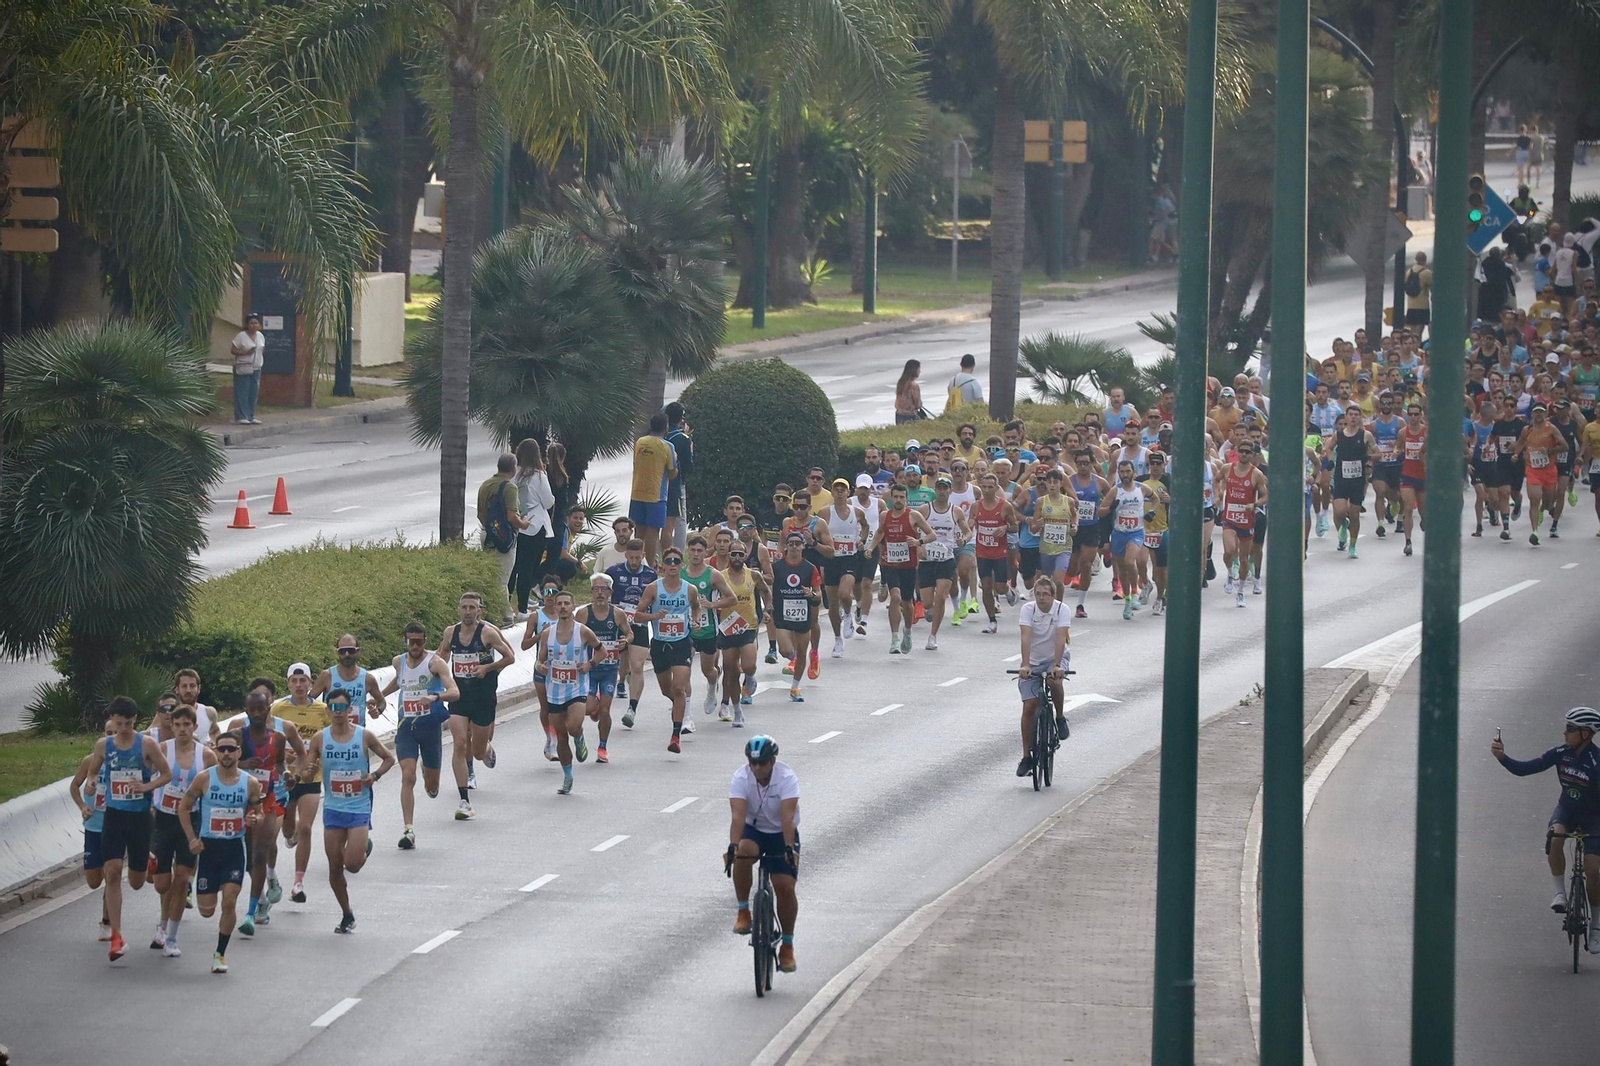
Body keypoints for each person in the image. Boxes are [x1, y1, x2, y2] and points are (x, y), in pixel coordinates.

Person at [1491, 707, 1600, 943]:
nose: (1564, 732)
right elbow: (1526, 768)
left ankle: (1596, 926)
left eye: (1570, 729)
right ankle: (1560, 893)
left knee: (1593, 870)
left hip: (1594, 818)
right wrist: (1502, 757)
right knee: (1555, 837)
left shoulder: (1596, 761)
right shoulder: (1560, 753)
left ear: (1585, 734)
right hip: (1568, 811)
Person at [81, 696, 171, 961]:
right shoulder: (103, 746)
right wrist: (92, 782)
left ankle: (146, 860)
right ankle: (117, 936)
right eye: (118, 723)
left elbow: (166, 774)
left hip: (140, 818)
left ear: (135, 720)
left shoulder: (146, 744)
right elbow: (93, 772)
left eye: (127, 723)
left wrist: (145, 787)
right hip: (114, 817)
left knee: (135, 881)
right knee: (112, 871)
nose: (122, 728)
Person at [300, 691, 394, 935]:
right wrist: (308, 772)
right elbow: (307, 773)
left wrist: (375, 775)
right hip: (333, 807)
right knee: (334, 867)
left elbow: (388, 758)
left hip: (358, 806)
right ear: (328, 710)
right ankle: (347, 914)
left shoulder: (364, 736)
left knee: (352, 865)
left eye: (342, 706)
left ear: (349, 708)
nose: (338, 710)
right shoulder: (321, 738)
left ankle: (364, 847)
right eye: (333, 706)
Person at [178, 729, 262, 974]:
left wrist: (255, 818)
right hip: (209, 850)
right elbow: (184, 808)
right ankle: (201, 897)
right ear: (215, 751)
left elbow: (258, 811)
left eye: (231, 749)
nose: (226, 754)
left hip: (234, 849)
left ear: (239, 752)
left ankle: (220, 954)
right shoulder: (204, 779)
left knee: (229, 901)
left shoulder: (250, 783)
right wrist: (192, 839)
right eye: (221, 749)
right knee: (207, 911)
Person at [725, 735, 800, 974]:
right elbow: (737, 816)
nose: (757, 768)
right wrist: (733, 846)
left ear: (773, 761)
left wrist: (789, 848)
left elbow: (787, 818)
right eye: (753, 763)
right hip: (754, 828)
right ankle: (743, 910)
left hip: (780, 832)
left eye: (763, 763)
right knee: (743, 853)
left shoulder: (786, 778)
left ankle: (787, 946)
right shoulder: (741, 778)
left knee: (784, 885)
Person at [438, 591, 516, 819]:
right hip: (459, 696)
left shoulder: (488, 633)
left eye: (473, 608)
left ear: (479, 611)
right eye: (464, 607)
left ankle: (486, 750)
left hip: (483, 696)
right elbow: (442, 654)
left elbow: (510, 657)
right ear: (459, 609)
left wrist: (487, 669)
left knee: (478, 749)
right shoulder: (450, 632)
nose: (468, 612)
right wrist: (438, 673)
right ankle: (464, 800)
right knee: (460, 743)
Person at [382, 622, 459, 848]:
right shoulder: (399, 662)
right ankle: (408, 829)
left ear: (425, 641)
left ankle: (429, 772)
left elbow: (455, 692)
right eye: (410, 641)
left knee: (432, 787)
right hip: (406, 729)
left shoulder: (435, 663)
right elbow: (399, 681)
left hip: (430, 729)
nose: (414, 646)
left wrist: (436, 698)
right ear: (404, 641)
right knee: (407, 775)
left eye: (419, 641)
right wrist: (380, 697)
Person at [148, 705, 214, 956]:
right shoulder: (164, 751)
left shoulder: (206, 756)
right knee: (162, 883)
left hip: (192, 821)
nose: (183, 729)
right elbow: (149, 778)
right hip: (164, 820)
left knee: (183, 878)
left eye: (188, 725)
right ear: (171, 727)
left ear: (195, 727)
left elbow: (214, 788)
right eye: (178, 725)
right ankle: (164, 921)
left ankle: (169, 934)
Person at [633, 545, 703, 750]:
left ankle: (675, 736)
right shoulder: (654, 588)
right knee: (667, 690)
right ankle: (679, 708)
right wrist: (654, 616)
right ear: (663, 566)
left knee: (680, 688)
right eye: (669, 561)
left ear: (682, 565)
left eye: (676, 561)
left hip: (682, 643)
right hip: (660, 644)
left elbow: (697, 607)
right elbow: (637, 615)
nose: (672, 565)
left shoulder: (690, 589)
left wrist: (696, 621)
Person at [536, 591, 602, 795]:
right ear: (555, 608)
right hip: (555, 689)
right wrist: (542, 667)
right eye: (559, 604)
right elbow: (539, 661)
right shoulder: (548, 633)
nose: (563, 607)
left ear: (573, 607)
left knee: (573, 726)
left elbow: (602, 651)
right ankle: (567, 776)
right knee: (561, 737)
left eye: (566, 603)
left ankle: (580, 735)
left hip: (577, 687)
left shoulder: (583, 632)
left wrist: (590, 664)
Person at [272, 663, 327, 903]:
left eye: (303, 681)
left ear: (310, 682)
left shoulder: (322, 709)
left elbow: (331, 738)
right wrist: (282, 756)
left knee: (306, 828)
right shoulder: (278, 708)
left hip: (311, 776)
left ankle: (298, 883)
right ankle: (290, 832)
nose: (299, 686)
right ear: (288, 684)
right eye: (294, 681)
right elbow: (269, 739)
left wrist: (318, 760)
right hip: (285, 777)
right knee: (289, 829)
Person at [865, 483, 935, 655]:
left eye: (901, 497)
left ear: (906, 498)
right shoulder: (885, 515)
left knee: (906, 601)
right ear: (891, 498)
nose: (898, 500)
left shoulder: (914, 516)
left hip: (908, 564)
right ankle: (894, 638)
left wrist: (918, 542)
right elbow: (880, 532)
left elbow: (932, 534)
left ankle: (908, 632)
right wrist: (871, 548)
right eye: (895, 497)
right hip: (889, 563)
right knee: (894, 597)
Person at [1016, 574, 1071, 778]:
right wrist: (1025, 664)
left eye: (1045, 595)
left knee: (1054, 681)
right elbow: (1026, 636)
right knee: (1029, 706)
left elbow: (1060, 637)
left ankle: (1059, 717)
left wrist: (1057, 665)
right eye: (1037, 594)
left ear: (1053, 596)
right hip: (1033, 661)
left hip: (1054, 658)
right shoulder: (1027, 610)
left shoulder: (1061, 610)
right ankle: (1026, 757)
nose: (1041, 599)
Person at [576, 573, 631, 760]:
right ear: (591, 592)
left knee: (606, 710)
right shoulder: (583, 613)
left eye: (603, 589)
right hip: (589, 670)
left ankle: (602, 747)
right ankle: (594, 707)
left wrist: (625, 641)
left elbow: (629, 633)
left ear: (610, 592)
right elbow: (576, 635)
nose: (600, 593)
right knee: (587, 709)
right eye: (596, 589)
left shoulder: (617, 613)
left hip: (609, 669)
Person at [714, 542, 768, 727]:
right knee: (731, 670)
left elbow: (766, 591)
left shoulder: (753, 575)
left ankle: (751, 676)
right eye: (734, 554)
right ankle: (736, 709)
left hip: (748, 626)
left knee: (748, 665)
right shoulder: (720, 577)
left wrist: (768, 609)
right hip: (728, 628)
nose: (737, 558)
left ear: (745, 556)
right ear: (729, 555)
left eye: (740, 554)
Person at [477, 453, 528, 622]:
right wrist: (523, 524)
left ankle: (492, 611)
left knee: (492, 575)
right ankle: (506, 615)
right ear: (513, 469)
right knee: (502, 578)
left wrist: (490, 528)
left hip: (486, 533)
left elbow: (480, 513)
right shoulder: (509, 487)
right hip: (504, 537)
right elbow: (512, 516)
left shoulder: (486, 484)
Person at [510, 438, 556, 619]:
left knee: (514, 567)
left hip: (516, 524)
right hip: (535, 526)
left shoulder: (514, 474)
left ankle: (508, 604)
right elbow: (549, 501)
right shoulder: (539, 476)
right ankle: (522, 608)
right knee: (528, 568)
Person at [630, 411, 678, 565]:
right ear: (666, 427)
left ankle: (635, 562)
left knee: (639, 532)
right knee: (653, 532)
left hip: (637, 493)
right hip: (656, 495)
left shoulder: (640, 442)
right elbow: (672, 473)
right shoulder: (668, 446)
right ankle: (650, 565)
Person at [664, 402, 695, 554]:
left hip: (659, 482)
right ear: (681, 418)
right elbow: (689, 464)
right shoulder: (682, 438)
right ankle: (679, 552)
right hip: (677, 482)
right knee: (679, 519)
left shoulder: (660, 434)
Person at [230, 312, 266, 425]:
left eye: (256, 323)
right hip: (243, 367)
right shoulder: (241, 336)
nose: (254, 325)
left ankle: (251, 415)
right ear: (247, 324)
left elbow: (262, 349)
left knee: (253, 392)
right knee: (242, 391)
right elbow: (233, 350)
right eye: (251, 323)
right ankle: (241, 415)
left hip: (256, 367)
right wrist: (245, 352)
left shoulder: (260, 336)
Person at [1404, 252, 1432, 339]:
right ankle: (1417, 342)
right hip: (1422, 305)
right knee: (1420, 327)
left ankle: (1412, 341)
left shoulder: (1409, 271)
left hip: (1411, 305)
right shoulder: (1427, 272)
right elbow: (1432, 285)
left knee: (1412, 327)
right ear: (1425, 260)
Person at [894, 359, 923, 424]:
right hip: (910, 415)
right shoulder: (914, 386)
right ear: (914, 370)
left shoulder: (901, 383)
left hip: (899, 414)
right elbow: (918, 404)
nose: (920, 371)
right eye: (919, 369)